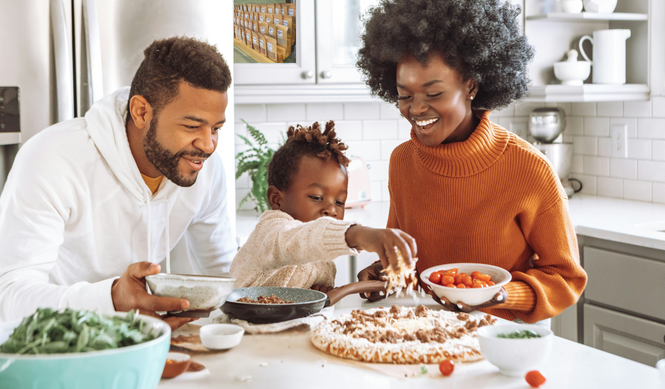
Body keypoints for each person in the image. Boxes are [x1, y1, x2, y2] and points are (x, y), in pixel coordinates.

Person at [356, 0, 587, 324]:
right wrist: (385, 272)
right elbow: (406, 259)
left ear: (472, 86)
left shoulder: (530, 170)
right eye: (405, 95)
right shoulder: (403, 162)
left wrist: (498, 295)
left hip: (502, 342)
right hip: (423, 334)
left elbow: (565, 279)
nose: (417, 109)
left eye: (433, 94)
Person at [0, 37, 235, 329]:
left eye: (216, 128)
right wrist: (111, 298)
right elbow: (9, 298)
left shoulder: (203, 170)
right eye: (191, 126)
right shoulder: (52, 158)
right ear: (141, 112)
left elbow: (224, 276)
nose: (208, 145)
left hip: (142, 345)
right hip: (52, 350)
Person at [230, 121, 416, 293]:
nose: (332, 210)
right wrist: (358, 234)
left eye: (339, 202)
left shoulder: (324, 259)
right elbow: (297, 241)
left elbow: (302, 295)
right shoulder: (271, 230)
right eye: (317, 197)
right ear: (276, 199)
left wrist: (318, 293)